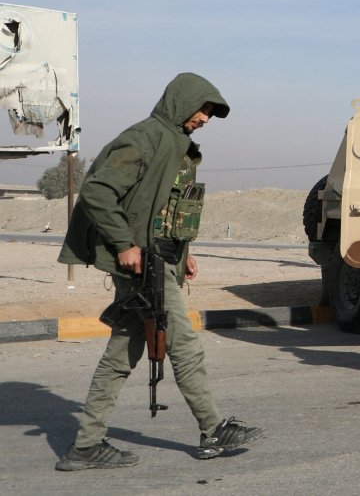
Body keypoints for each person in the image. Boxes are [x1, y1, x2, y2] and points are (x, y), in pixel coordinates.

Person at [55, 73, 264, 470]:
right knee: (184, 344)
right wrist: (123, 244)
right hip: (141, 264)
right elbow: (98, 190)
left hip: (160, 260)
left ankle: (85, 446)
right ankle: (213, 428)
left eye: (210, 113)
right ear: (181, 102)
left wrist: (184, 254)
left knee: (121, 354)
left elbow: (167, 210)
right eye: (202, 109)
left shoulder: (176, 144)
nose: (205, 118)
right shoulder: (145, 137)